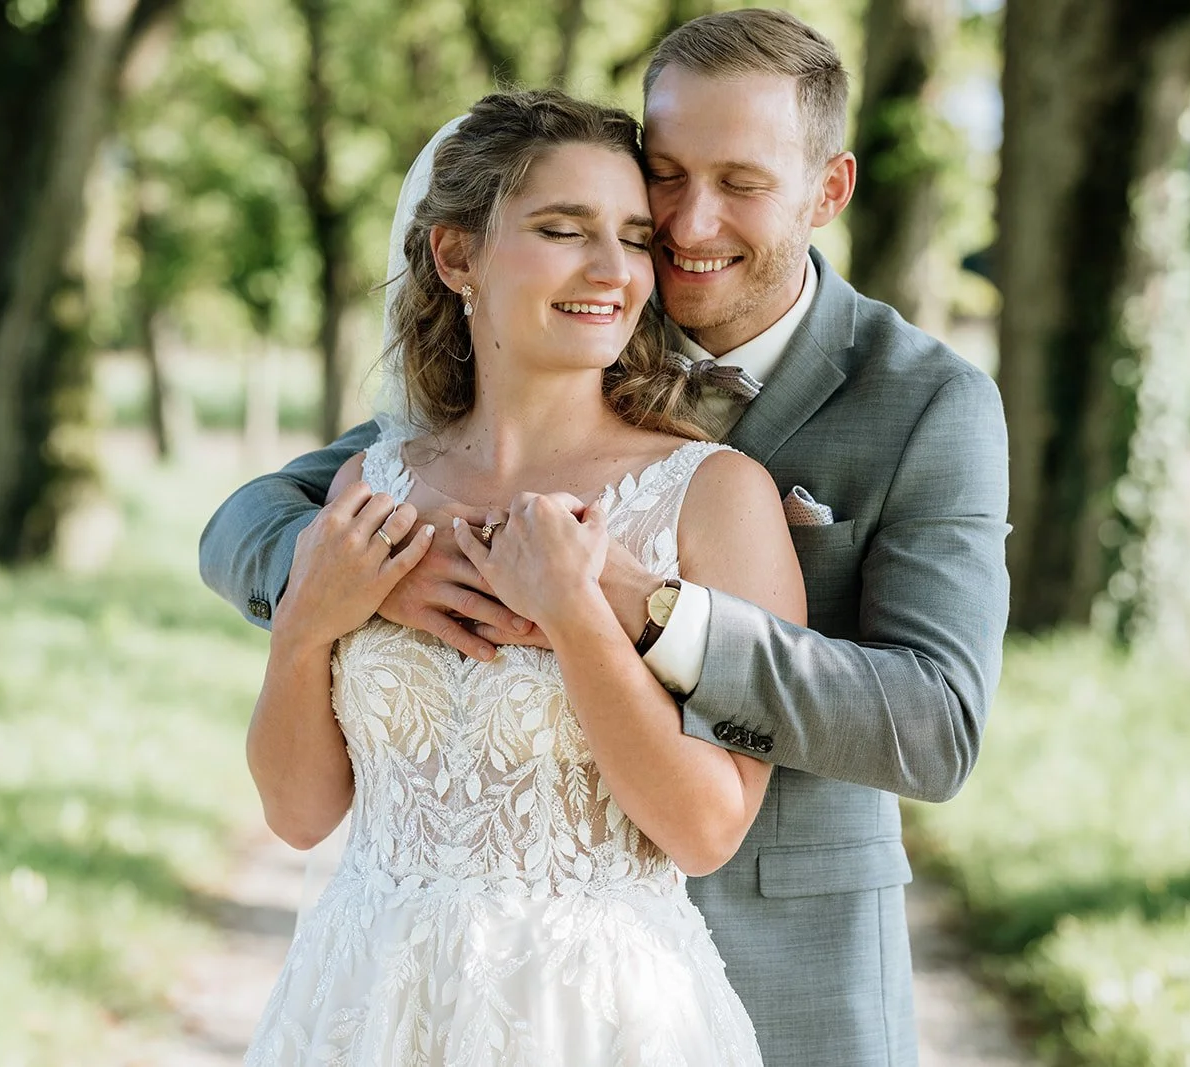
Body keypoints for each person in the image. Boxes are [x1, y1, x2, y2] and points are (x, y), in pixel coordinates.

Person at [204, 10, 1011, 1066]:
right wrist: (368, 582)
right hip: (410, 989)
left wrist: (651, 610)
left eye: (740, 182)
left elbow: (936, 721)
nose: (681, 225)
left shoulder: (922, 403)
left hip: (768, 964)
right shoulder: (570, 323)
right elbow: (250, 520)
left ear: (828, 191)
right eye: (664, 175)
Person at [238, 88, 804, 1064]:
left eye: (633, 237)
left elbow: (706, 829)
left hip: (593, 1017)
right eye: (562, 229)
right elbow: (298, 814)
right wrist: (305, 622)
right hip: (365, 1001)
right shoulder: (370, 484)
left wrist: (576, 612)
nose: (611, 270)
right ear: (455, 255)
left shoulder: (712, 495)